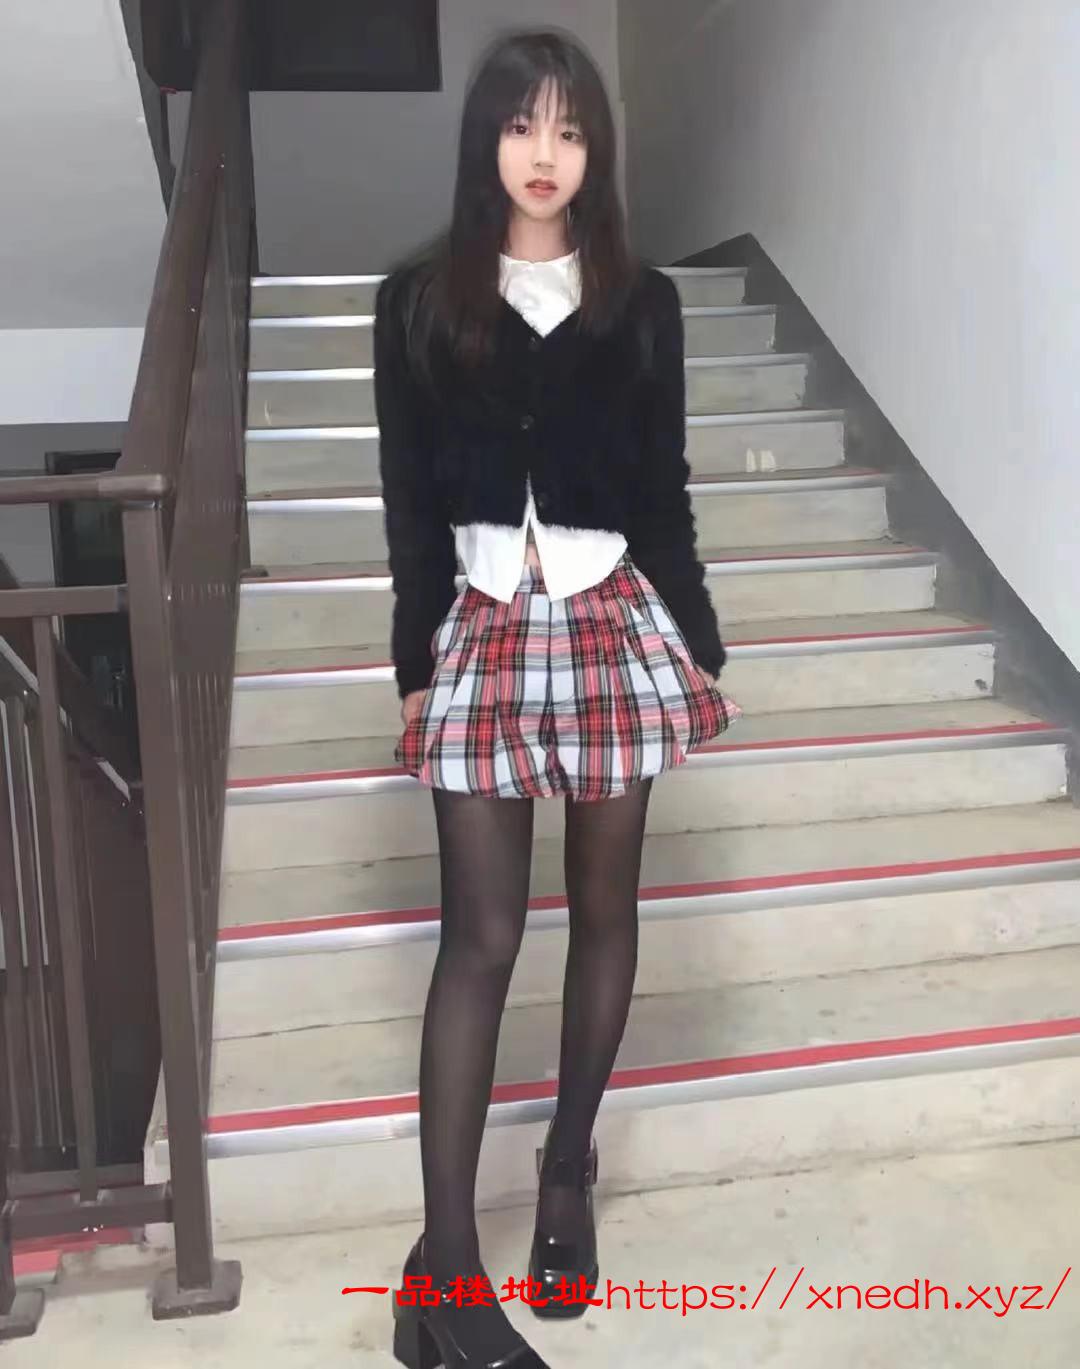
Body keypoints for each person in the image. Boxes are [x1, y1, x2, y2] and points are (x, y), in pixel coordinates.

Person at [374, 28, 741, 1369]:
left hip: (605, 618)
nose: (545, 154)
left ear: (597, 150)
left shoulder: (641, 303)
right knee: (479, 939)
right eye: (523, 125)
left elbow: (663, 489)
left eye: (571, 129)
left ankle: (569, 1167)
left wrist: (698, 638)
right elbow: (408, 509)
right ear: (487, 139)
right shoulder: (418, 300)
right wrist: (416, 668)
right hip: (479, 625)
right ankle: (446, 1274)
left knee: (603, 911)